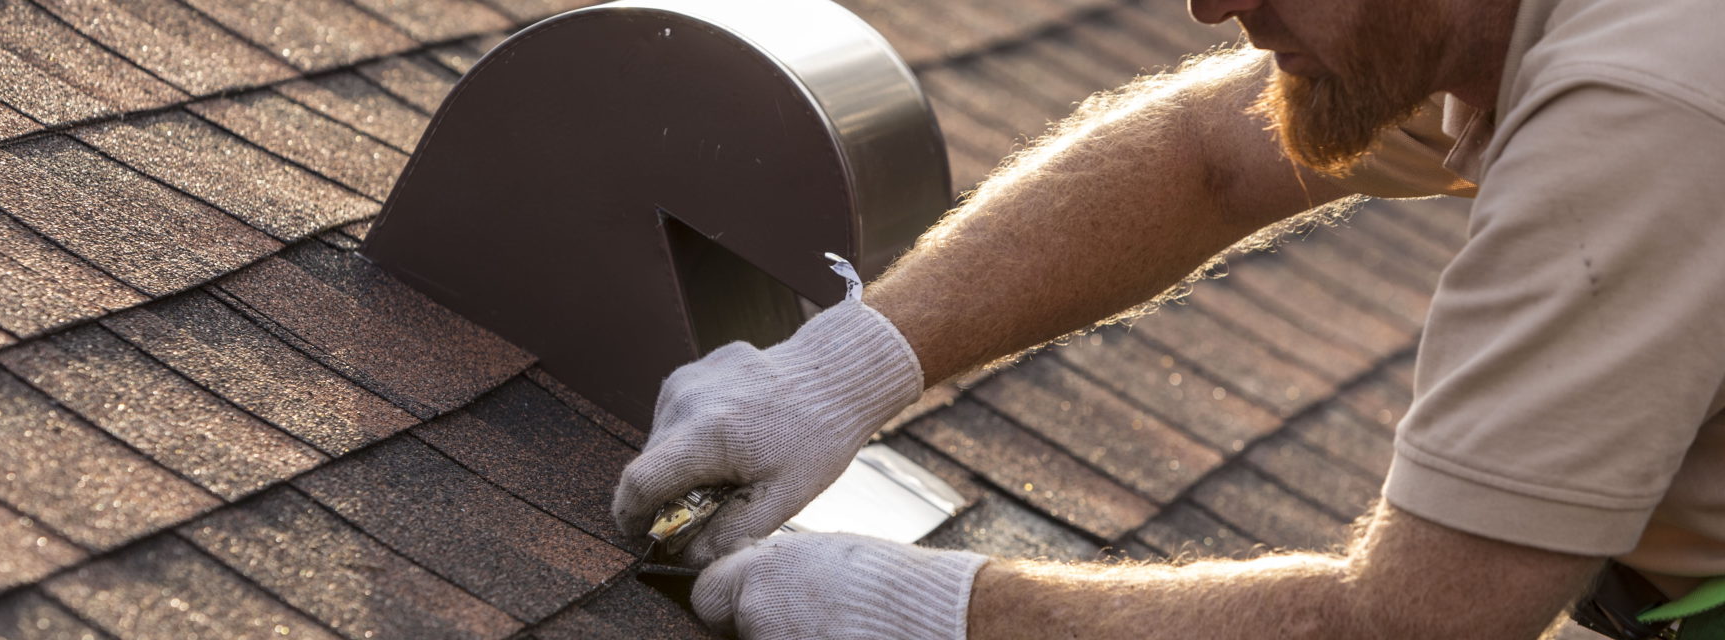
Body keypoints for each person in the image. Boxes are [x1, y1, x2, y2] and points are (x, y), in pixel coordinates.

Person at [612, 0, 1725, 635]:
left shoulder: (1649, 115)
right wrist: (843, 368)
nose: (1208, 2)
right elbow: (1210, 157)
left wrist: (941, 612)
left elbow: (1409, 624)